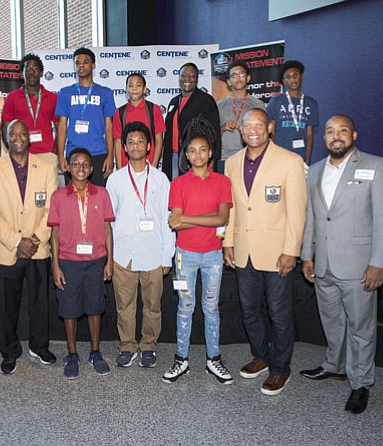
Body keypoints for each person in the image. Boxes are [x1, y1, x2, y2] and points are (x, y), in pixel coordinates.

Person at [300, 114, 383, 414]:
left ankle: (360, 383)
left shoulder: (376, 166)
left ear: (354, 135)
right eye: (330, 131)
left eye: (342, 130)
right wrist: (307, 254)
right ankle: (334, 365)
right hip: (324, 265)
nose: (336, 136)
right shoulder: (315, 171)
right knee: (332, 321)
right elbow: (313, 218)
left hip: (359, 266)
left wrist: (378, 263)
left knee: (360, 327)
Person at [222, 108, 307, 396]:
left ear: (269, 127)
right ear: (241, 130)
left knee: (279, 313)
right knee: (248, 310)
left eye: (259, 124)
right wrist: (228, 242)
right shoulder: (231, 163)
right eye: (248, 125)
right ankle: (262, 355)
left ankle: (280, 368)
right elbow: (232, 206)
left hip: (276, 252)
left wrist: (291, 251)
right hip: (243, 250)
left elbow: (297, 212)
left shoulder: (290, 161)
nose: (253, 130)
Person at [0, 120, 59, 375]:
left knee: (39, 302)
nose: (18, 137)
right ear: (5, 138)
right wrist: (17, 241)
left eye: (22, 133)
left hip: (38, 249)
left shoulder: (46, 168)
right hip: (7, 249)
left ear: (29, 137)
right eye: (12, 133)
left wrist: (34, 239)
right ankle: (10, 351)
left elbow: (51, 209)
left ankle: (39, 347)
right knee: (7, 305)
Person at [162, 116, 234, 385]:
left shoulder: (221, 182)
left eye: (202, 150)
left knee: (211, 307)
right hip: (185, 255)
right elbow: (175, 219)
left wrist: (187, 220)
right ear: (186, 154)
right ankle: (181, 358)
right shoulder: (178, 184)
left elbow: (222, 219)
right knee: (185, 306)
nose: (197, 154)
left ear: (211, 152)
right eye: (192, 150)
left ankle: (213, 358)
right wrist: (193, 219)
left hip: (213, 255)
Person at [106, 121, 175, 368]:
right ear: (124, 147)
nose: (136, 146)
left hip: (153, 253)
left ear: (149, 146)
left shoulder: (161, 179)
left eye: (141, 141)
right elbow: (109, 222)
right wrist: (109, 257)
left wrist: (167, 257)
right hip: (123, 254)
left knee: (152, 306)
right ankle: (127, 346)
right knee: (124, 306)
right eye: (131, 142)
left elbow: (168, 220)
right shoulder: (114, 180)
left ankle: (148, 345)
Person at [48, 148, 115, 379]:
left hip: (96, 261)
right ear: (68, 167)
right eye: (76, 164)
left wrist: (109, 261)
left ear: (91, 169)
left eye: (85, 164)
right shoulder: (58, 196)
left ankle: (95, 352)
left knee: (95, 307)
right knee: (69, 310)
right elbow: (55, 234)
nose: (81, 168)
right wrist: (55, 266)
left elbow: (108, 229)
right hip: (68, 262)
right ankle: (73, 354)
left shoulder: (102, 194)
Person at [55, 47, 117, 186]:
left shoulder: (105, 93)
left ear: (93, 65)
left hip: (99, 154)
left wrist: (110, 156)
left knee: (98, 200)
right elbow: (62, 126)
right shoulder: (65, 93)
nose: (81, 66)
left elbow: (109, 127)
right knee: (72, 201)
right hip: (73, 154)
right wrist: (61, 156)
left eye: (86, 62)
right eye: (78, 63)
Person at [162, 62, 220, 179]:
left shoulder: (206, 101)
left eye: (192, 75)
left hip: (196, 158)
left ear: (197, 79)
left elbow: (214, 134)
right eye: (183, 75)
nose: (187, 79)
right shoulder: (174, 101)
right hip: (173, 157)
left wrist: (211, 163)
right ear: (179, 78)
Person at [1, 53, 59, 167]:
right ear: (22, 73)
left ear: (41, 73)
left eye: (35, 68)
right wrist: (15, 151)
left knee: (49, 185)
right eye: (27, 68)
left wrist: (55, 152)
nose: (31, 72)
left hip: (47, 154)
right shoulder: (12, 98)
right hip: (22, 155)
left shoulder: (53, 98)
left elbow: (60, 128)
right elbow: (5, 129)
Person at [266, 60, 319, 166]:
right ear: (284, 81)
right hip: (279, 157)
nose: (292, 79)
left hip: (300, 157)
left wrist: (307, 161)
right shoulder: (276, 102)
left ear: (302, 76)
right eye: (288, 77)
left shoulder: (311, 103)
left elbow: (309, 134)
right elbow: (272, 132)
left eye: (295, 75)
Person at [112, 73, 166, 169]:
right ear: (126, 89)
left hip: (149, 165)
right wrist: (120, 169)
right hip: (126, 168)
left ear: (145, 89)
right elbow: (117, 142)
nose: (134, 88)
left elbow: (159, 140)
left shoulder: (154, 109)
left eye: (138, 85)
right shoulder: (120, 112)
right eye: (131, 85)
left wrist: (153, 167)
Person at [217, 61, 266, 164]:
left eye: (241, 74)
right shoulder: (219, 105)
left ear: (248, 78)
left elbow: (264, 133)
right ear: (229, 81)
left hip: (250, 157)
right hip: (224, 158)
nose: (238, 78)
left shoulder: (257, 104)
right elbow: (211, 135)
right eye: (234, 75)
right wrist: (223, 128)